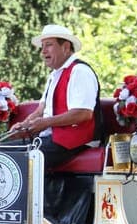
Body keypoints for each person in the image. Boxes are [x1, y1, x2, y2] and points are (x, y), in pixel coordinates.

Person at [12, 24, 100, 168]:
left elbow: (83, 114)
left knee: (20, 160)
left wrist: (46, 123)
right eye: (42, 46)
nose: (43, 51)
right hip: (52, 139)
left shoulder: (80, 71)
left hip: (76, 141)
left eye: (49, 45)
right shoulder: (54, 75)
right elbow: (41, 110)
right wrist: (23, 126)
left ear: (65, 47)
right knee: (2, 150)